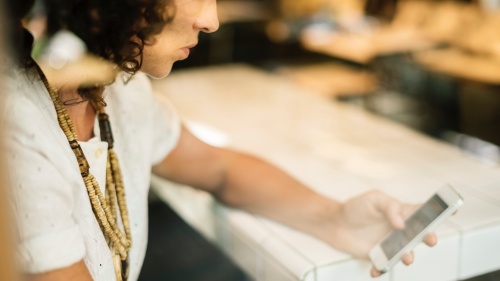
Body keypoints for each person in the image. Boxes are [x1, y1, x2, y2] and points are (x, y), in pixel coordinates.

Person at [3, 0, 436, 280]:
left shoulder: (122, 88)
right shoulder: (16, 128)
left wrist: (337, 218)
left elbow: (219, 168)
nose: (211, 20)